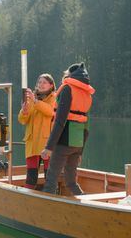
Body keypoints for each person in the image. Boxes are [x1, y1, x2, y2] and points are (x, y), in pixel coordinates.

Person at [41, 62, 95, 195]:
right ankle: (85, 204)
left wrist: (49, 147)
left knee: (51, 179)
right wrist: (80, 151)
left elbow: (60, 121)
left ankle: (46, 209)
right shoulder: (86, 93)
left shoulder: (67, 89)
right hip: (78, 142)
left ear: (70, 74)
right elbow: (86, 125)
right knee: (71, 181)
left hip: (64, 140)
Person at [18, 74, 56, 189]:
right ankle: (27, 200)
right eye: (39, 82)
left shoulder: (55, 97)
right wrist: (24, 111)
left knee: (49, 176)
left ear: (51, 85)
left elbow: (50, 112)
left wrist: (35, 101)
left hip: (47, 144)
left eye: (44, 82)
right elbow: (22, 120)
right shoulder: (31, 98)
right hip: (32, 143)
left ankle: (51, 198)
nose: (41, 85)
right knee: (31, 176)